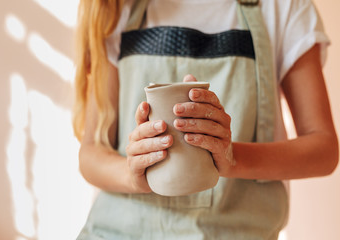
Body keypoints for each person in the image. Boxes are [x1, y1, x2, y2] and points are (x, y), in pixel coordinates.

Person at [73, 0, 339, 239]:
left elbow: (324, 149)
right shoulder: (119, 8)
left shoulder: (283, 7)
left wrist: (232, 157)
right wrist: (132, 175)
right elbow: (91, 153)